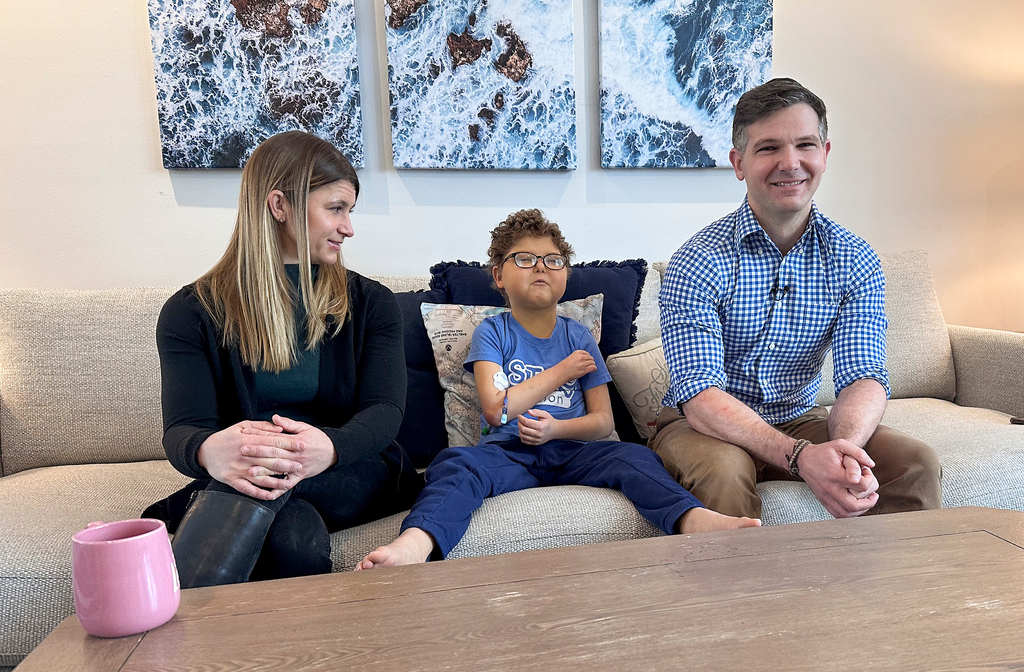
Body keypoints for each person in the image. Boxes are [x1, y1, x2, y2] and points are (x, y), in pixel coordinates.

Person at [356, 210, 759, 569]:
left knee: (634, 457)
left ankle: (692, 518)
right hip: (507, 454)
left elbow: (602, 423)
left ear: (566, 273)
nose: (541, 268)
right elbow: (497, 411)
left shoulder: (579, 336)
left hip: (575, 454)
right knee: (455, 464)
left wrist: (556, 430)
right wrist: (562, 371)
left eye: (553, 260)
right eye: (525, 259)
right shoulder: (491, 334)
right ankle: (416, 541)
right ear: (498, 275)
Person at [650, 78, 942, 520]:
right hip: (703, 427)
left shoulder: (854, 258)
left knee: (915, 464)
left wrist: (843, 448)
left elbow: (864, 375)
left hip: (801, 416)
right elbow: (701, 395)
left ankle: (885, 588)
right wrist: (800, 455)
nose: (791, 163)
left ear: (825, 154)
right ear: (738, 162)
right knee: (724, 474)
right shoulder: (698, 260)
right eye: (768, 148)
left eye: (805, 144)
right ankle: (742, 592)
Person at [144, 130, 421, 587]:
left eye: (349, 211)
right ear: (279, 206)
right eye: (336, 208)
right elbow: (183, 430)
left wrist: (328, 448)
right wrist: (210, 451)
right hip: (253, 474)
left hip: (351, 467)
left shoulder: (372, 303)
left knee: (263, 480)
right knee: (292, 536)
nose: (348, 228)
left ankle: (168, 632)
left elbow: (384, 413)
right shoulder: (191, 312)